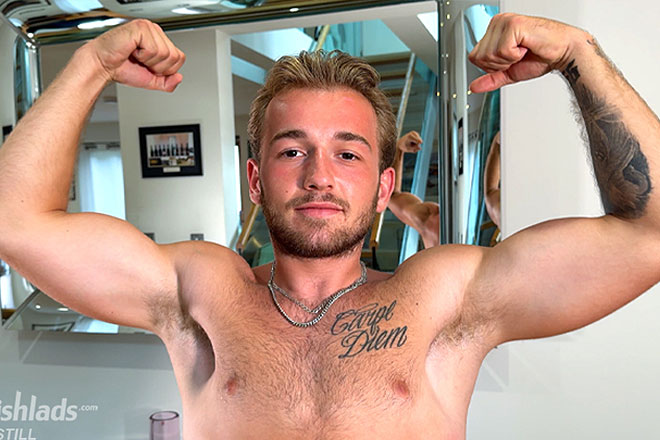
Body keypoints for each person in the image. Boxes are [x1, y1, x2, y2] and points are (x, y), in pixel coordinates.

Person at [0, 13, 658, 439]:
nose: (319, 175)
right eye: (292, 150)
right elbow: (16, 222)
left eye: (348, 154)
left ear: (384, 187)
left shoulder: (445, 298)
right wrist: (90, 63)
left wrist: (580, 54)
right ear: (256, 181)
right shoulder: (200, 292)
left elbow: (648, 234)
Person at [387, 130, 440, 248]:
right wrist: (398, 150)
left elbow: (392, 196)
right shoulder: (434, 220)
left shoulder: (433, 220)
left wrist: (398, 150)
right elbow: (392, 197)